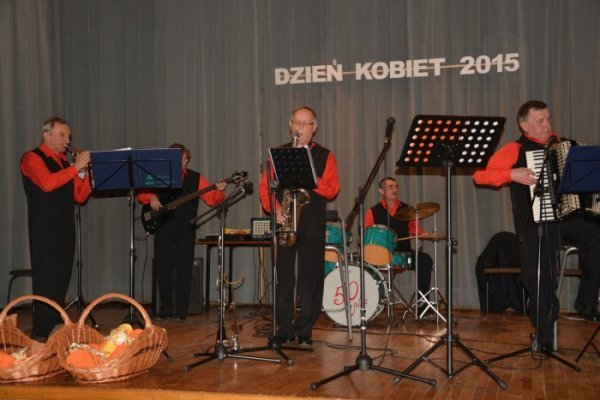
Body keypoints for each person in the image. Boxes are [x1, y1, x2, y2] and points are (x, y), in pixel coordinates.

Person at [474, 100, 600, 350]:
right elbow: (480, 175)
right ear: (524, 125)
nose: (547, 125)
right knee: (539, 277)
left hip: (567, 219)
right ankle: (544, 336)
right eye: (540, 121)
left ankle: (586, 302)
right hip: (534, 223)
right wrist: (512, 174)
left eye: (548, 119)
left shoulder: (564, 145)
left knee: (596, 234)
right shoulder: (515, 149)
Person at [259, 106, 340, 347]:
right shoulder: (278, 154)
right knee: (283, 276)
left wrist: (312, 177)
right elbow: (265, 188)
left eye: (305, 124)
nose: (300, 128)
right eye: (296, 123)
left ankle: (305, 328)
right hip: (286, 220)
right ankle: (284, 328)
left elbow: (332, 189)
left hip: (312, 221)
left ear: (314, 128)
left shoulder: (325, 155)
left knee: (311, 276)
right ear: (290, 125)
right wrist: (276, 209)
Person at [20, 116, 92, 341]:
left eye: (69, 136)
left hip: (65, 229)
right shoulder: (32, 158)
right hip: (44, 230)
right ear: (47, 135)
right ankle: (42, 332)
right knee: (46, 281)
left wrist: (83, 173)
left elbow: (80, 197)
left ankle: (53, 329)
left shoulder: (64, 164)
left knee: (60, 281)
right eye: (62, 135)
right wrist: (75, 168)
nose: (67, 140)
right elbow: (47, 183)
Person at [137, 143, 227, 320]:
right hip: (163, 225)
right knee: (163, 267)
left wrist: (219, 191)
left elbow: (212, 200)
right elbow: (141, 194)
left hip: (186, 227)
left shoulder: (195, 178)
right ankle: (165, 309)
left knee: (184, 268)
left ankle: (181, 311)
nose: (184, 163)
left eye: (185, 159)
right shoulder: (158, 175)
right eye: (180, 159)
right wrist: (152, 197)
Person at [364, 177, 433, 301]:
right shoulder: (373, 211)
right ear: (381, 191)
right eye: (390, 187)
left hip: (403, 254)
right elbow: (367, 234)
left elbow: (416, 230)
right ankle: (372, 302)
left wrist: (425, 234)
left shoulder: (408, 210)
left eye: (396, 187)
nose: (394, 189)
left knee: (425, 260)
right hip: (380, 256)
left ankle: (423, 302)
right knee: (365, 264)